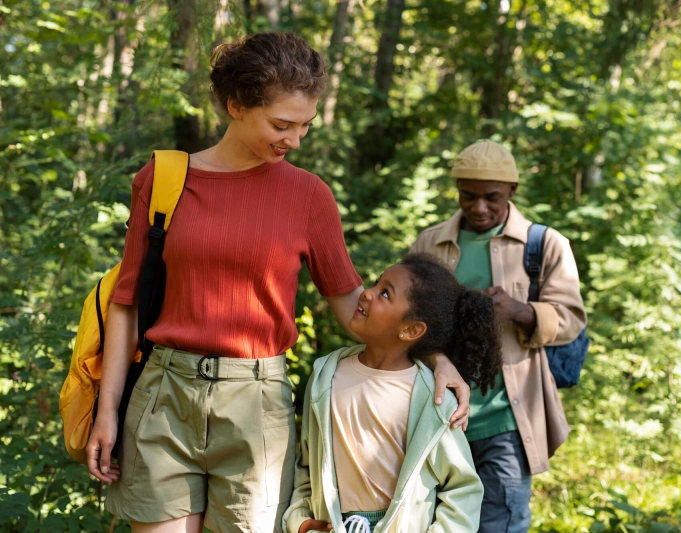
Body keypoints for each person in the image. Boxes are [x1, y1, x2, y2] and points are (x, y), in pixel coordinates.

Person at [84, 32, 470, 533]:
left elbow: (355, 304)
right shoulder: (162, 178)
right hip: (162, 396)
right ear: (236, 105)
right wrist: (107, 412)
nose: (295, 140)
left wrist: (436, 358)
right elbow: (126, 303)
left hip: (256, 405)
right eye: (282, 124)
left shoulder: (309, 195)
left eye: (305, 126)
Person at [410, 140, 587, 533]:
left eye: (491, 197)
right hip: (440, 416)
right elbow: (408, 319)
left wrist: (519, 310)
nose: (479, 208)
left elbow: (571, 318)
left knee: (500, 523)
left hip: (505, 419)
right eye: (467, 196)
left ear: (512, 191)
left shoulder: (545, 245)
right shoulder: (431, 243)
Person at [283, 253, 501, 533]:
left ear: (411, 330)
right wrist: (299, 521)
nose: (367, 294)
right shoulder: (326, 376)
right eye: (375, 284)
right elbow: (307, 463)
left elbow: (462, 488)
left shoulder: (433, 398)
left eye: (385, 293)